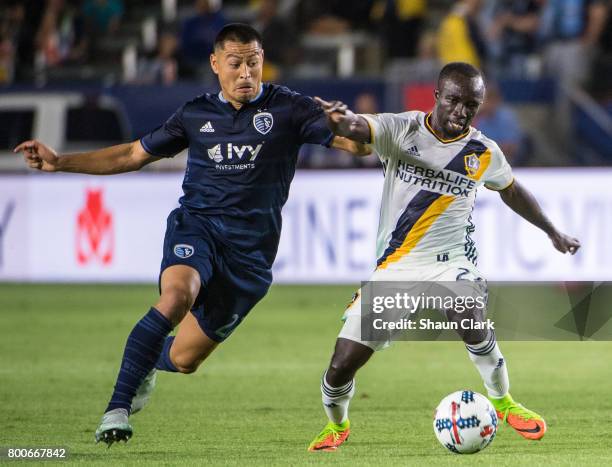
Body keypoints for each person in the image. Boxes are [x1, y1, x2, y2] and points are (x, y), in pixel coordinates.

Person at [14, 23, 368, 446]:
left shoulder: (290, 108)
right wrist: (60, 163)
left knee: (183, 360)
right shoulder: (195, 114)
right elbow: (132, 154)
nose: (245, 74)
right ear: (215, 64)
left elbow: (359, 149)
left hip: (250, 257)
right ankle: (117, 408)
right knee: (176, 296)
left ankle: (148, 361)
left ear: (262, 62)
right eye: (235, 64)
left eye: (253, 63)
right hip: (197, 226)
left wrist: (348, 126)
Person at [308, 62, 581, 451]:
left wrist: (552, 230)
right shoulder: (400, 129)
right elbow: (355, 128)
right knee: (341, 364)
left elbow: (512, 190)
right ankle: (337, 426)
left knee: (467, 311)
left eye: (472, 104)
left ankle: (502, 401)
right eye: (454, 100)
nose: (462, 111)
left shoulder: (483, 151)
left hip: (452, 261)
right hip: (396, 267)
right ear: (436, 96)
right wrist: (337, 118)